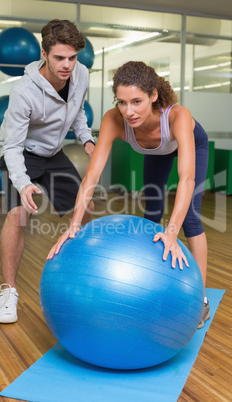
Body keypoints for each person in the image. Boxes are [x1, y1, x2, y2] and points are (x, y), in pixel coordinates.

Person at [48, 61, 210, 329]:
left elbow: (187, 179)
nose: (129, 111)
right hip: (155, 152)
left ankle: (200, 301)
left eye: (136, 101)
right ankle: (154, 281)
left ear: (154, 96)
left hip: (191, 144)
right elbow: (92, 176)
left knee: (190, 219)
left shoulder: (177, 116)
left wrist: (172, 232)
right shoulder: (114, 119)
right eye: (122, 102)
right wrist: (74, 224)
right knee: (151, 214)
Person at [0, 19, 95, 324]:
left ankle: (87, 275)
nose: (67, 65)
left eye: (73, 57)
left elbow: (77, 111)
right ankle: (8, 292)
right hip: (22, 152)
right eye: (59, 58)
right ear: (44, 53)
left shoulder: (81, 74)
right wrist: (23, 184)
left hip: (53, 153)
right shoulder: (24, 91)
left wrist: (87, 139)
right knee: (17, 215)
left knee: (86, 208)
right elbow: (11, 146)